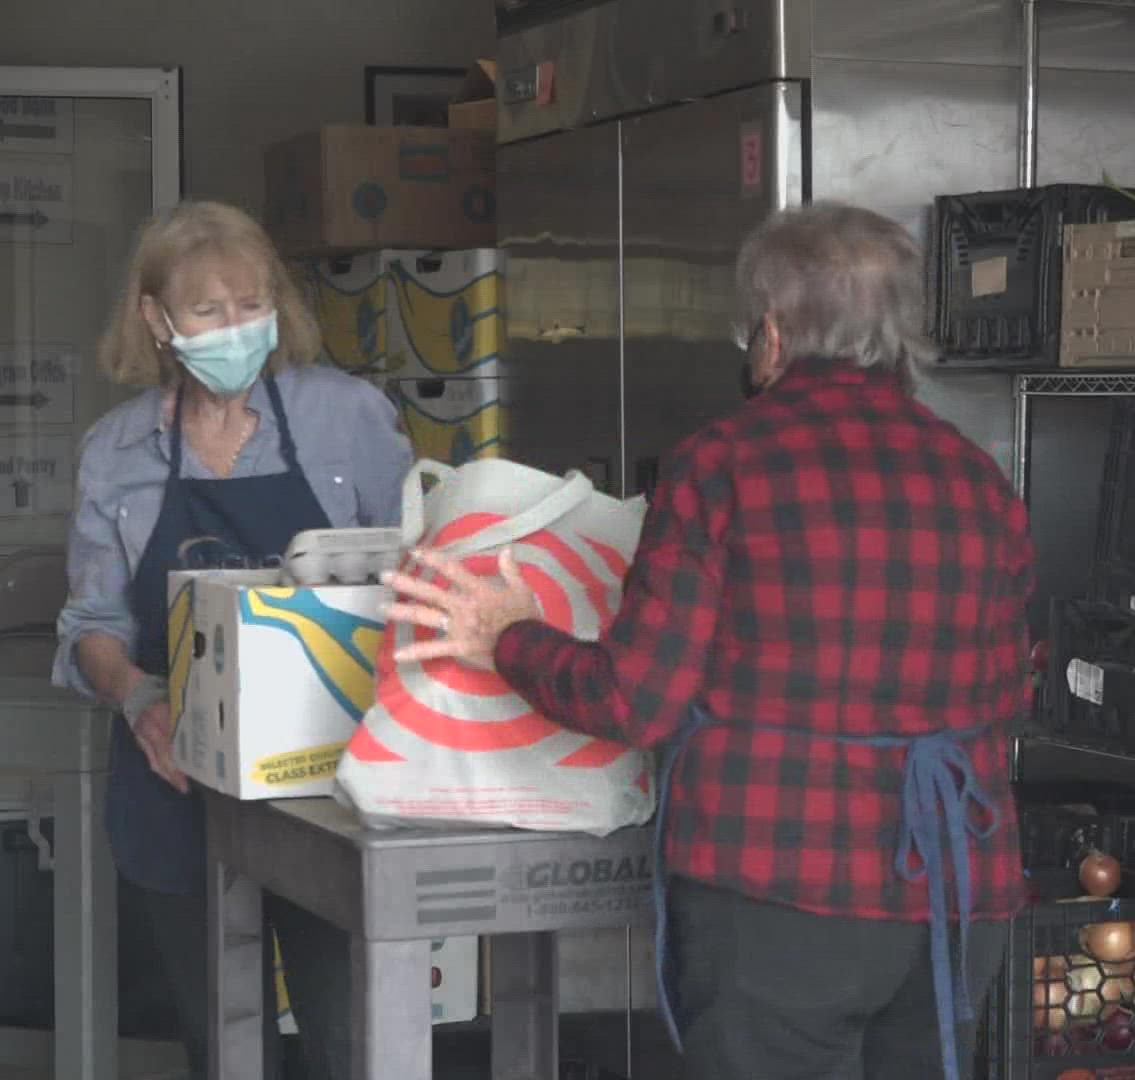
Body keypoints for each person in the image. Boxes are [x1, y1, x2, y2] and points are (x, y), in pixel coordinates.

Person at [383, 203, 1034, 1080]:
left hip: (781, 893)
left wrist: (508, 636)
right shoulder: (976, 474)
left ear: (768, 334)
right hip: (957, 898)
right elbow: (1009, 695)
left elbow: (634, 699)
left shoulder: (724, 463)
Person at [54, 200, 415, 1079]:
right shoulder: (117, 452)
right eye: (209, 311)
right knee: (222, 1036)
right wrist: (141, 702)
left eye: (251, 305)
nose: (234, 329)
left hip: (332, 792)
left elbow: (417, 574)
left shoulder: (347, 419)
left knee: (349, 1032)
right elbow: (95, 626)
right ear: (157, 320)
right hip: (175, 785)